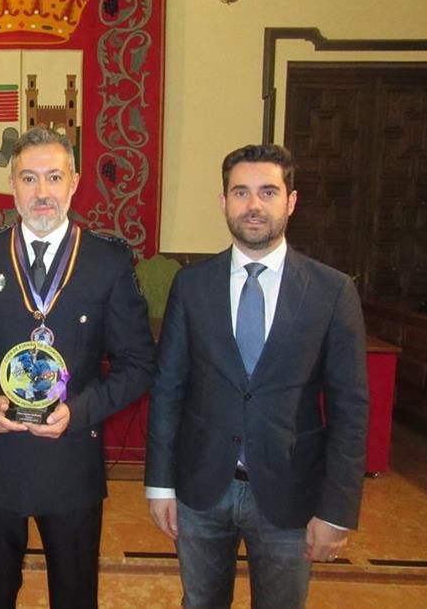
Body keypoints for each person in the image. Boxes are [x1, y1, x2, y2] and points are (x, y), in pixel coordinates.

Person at [0, 126, 156, 609]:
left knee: (75, 596)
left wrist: (78, 413)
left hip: (71, 461)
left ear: (74, 182)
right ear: (12, 185)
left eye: (54, 178)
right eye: (29, 179)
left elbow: (139, 363)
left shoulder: (108, 261)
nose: (42, 193)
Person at [145, 144, 369, 608]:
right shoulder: (191, 285)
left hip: (290, 493)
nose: (254, 205)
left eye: (268, 191)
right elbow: (168, 390)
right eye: (241, 192)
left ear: (290, 201)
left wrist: (337, 510)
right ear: (223, 201)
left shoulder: (332, 291)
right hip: (201, 490)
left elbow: (351, 408)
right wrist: (160, 485)